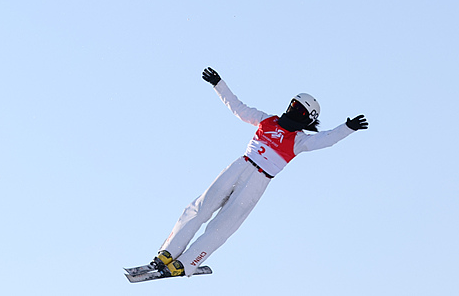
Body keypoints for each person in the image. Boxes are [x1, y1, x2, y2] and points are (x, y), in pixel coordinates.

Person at [149, 67, 369, 277]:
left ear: (307, 117)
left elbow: (325, 139)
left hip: (259, 179)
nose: (292, 110)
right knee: (201, 205)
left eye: (299, 110)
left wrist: (347, 128)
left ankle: (186, 263)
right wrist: (219, 85)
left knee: (224, 224)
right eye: (293, 104)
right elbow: (238, 107)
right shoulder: (268, 120)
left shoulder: (299, 140)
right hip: (241, 165)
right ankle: (167, 252)